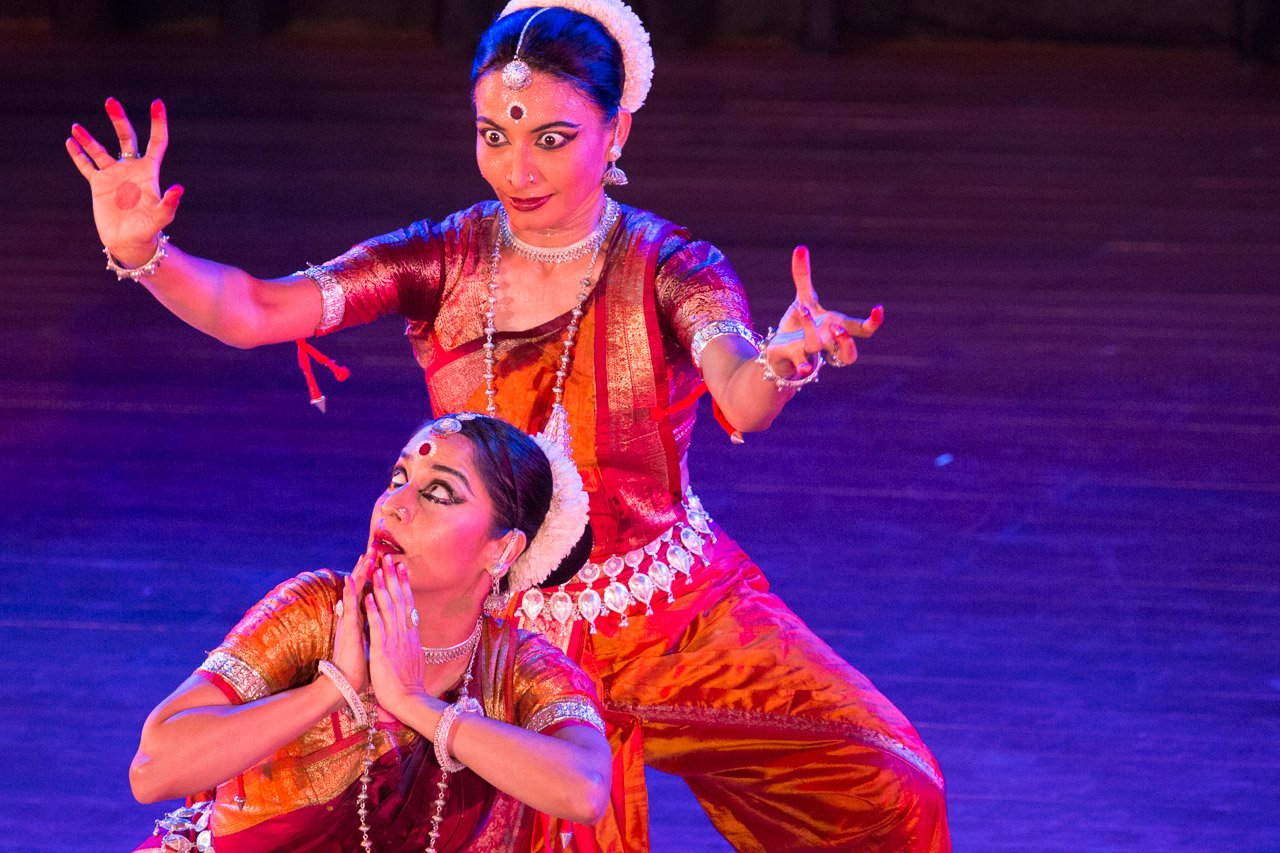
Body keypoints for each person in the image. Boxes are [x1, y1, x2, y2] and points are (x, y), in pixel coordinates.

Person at [68, 2, 950, 849]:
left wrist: (782, 363)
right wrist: (145, 253)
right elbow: (256, 309)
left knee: (891, 780)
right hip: (494, 624)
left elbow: (740, 394)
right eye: (494, 136)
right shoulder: (440, 257)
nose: (517, 171)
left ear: (617, 132)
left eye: (551, 140)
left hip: (675, 613)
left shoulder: (674, 267)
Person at [128, 413, 612, 852]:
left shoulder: (516, 666)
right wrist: (330, 689)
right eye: (399, 478)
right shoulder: (320, 610)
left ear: (502, 550)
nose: (393, 505)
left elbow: (585, 790)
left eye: (438, 493)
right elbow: (151, 772)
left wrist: (414, 704)